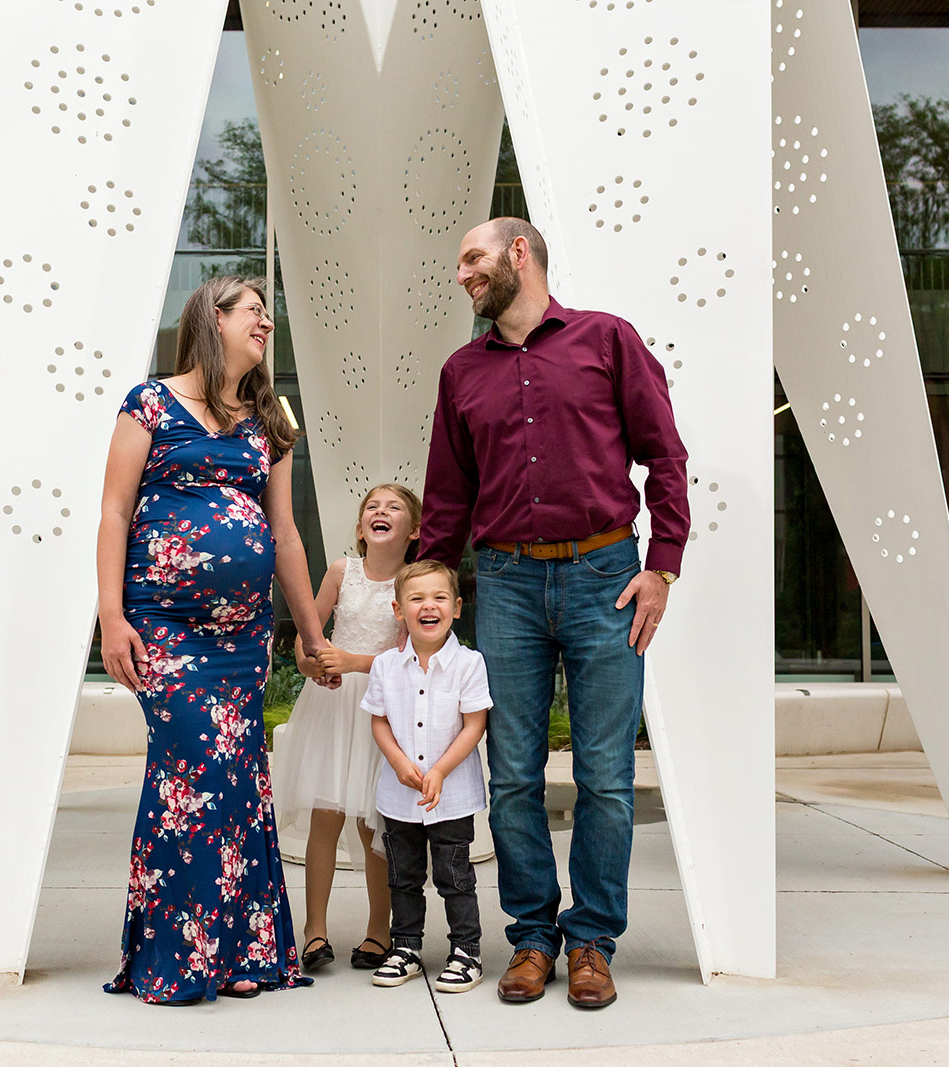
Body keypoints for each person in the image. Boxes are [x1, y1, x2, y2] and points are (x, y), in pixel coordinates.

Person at [418, 218, 689, 1010]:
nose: (462, 275)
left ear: (518, 252)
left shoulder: (607, 340)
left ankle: (593, 940)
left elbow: (665, 455)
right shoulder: (461, 372)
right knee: (511, 775)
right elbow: (447, 496)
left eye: (472, 258)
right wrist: (426, 599)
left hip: (607, 577)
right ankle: (533, 937)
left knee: (606, 774)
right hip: (505, 582)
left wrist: (662, 566)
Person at [96, 275, 329, 1004]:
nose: (266, 323)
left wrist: (311, 634)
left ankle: (243, 952)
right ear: (213, 319)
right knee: (192, 776)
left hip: (242, 639)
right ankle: (182, 956)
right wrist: (111, 618)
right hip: (163, 627)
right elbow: (114, 511)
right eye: (253, 312)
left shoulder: (269, 421)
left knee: (237, 779)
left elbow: (285, 533)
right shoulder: (149, 403)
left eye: (266, 315)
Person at [273, 483, 423, 973]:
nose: (381, 512)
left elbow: (412, 656)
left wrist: (352, 662)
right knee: (326, 816)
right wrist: (313, 665)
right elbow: (308, 636)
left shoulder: (412, 581)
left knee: (371, 822)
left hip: (381, 710)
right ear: (361, 527)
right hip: (332, 707)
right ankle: (314, 930)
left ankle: (379, 929)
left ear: (414, 530)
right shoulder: (342, 571)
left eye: (394, 507)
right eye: (372, 507)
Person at [362, 560, 492, 995]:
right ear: (399, 610)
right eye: (417, 598)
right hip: (399, 797)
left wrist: (439, 770)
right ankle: (405, 948)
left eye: (439, 597)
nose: (428, 606)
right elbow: (379, 720)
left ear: (457, 607)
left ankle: (466, 952)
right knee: (403, 877)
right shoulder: (385, 665)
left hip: (452, 795)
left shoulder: (469, 663)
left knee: (455, 877)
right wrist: (398, 762)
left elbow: (474, 724)